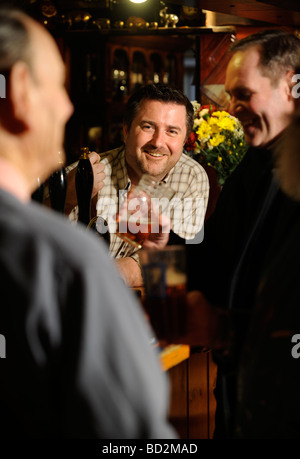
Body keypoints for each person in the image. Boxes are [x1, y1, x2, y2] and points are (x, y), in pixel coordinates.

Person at [0, 7, 177, 439]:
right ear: (22, 91)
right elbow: (138, 428)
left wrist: (152, 259)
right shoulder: (59, 257)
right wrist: (156, 262)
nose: (67, 107)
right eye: (59, 85)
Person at [180, 29, 300, 438]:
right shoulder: (256, 163)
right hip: (241, 391)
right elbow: (216, 254)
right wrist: (163, 246)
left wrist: (227, 329)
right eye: (230, 95)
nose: (232, 108)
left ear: (291, 86)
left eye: (244, 94)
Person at [65, 84, 209, 287]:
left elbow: (177, 263)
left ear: (185, 140)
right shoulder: (84, 174)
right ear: (126, 131)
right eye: (148, 126)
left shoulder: (191, 176)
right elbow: (30, 244)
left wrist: (112, 273)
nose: (158, 142)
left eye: (172, 131)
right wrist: (68, 199)